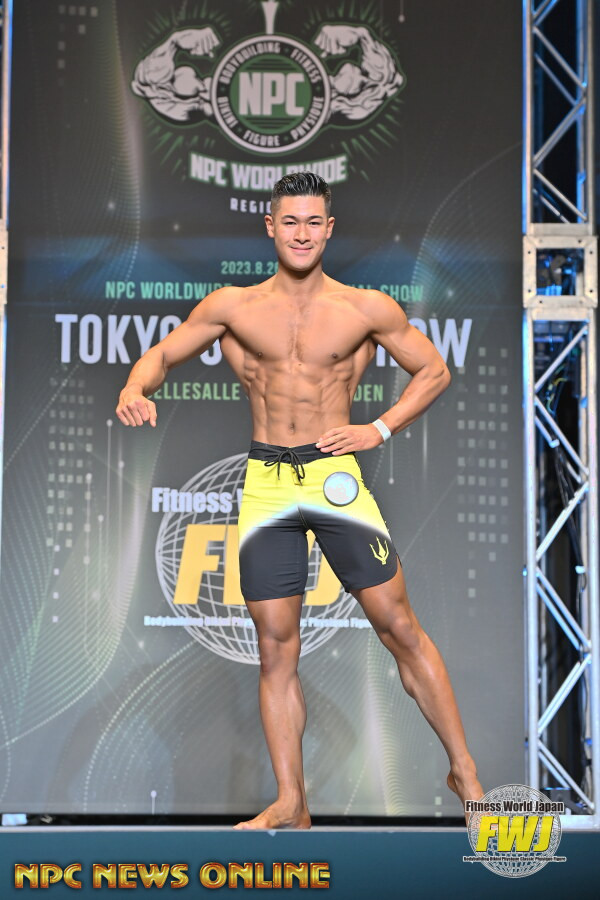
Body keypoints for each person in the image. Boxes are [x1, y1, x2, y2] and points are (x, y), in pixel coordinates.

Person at [116, 172, 483, 830]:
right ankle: (293, 800)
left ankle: (467, 774)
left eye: (314, 222)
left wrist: (378, 429)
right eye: (291, 221)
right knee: (276, 647)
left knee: (399, 627)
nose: (302, 233)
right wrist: (134, 388)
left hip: (334, 477)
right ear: (271, 226)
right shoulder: (233, 306)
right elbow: (162, 356)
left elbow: (434, 370)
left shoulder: (365, 308)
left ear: (329, 229)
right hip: (266, 482)